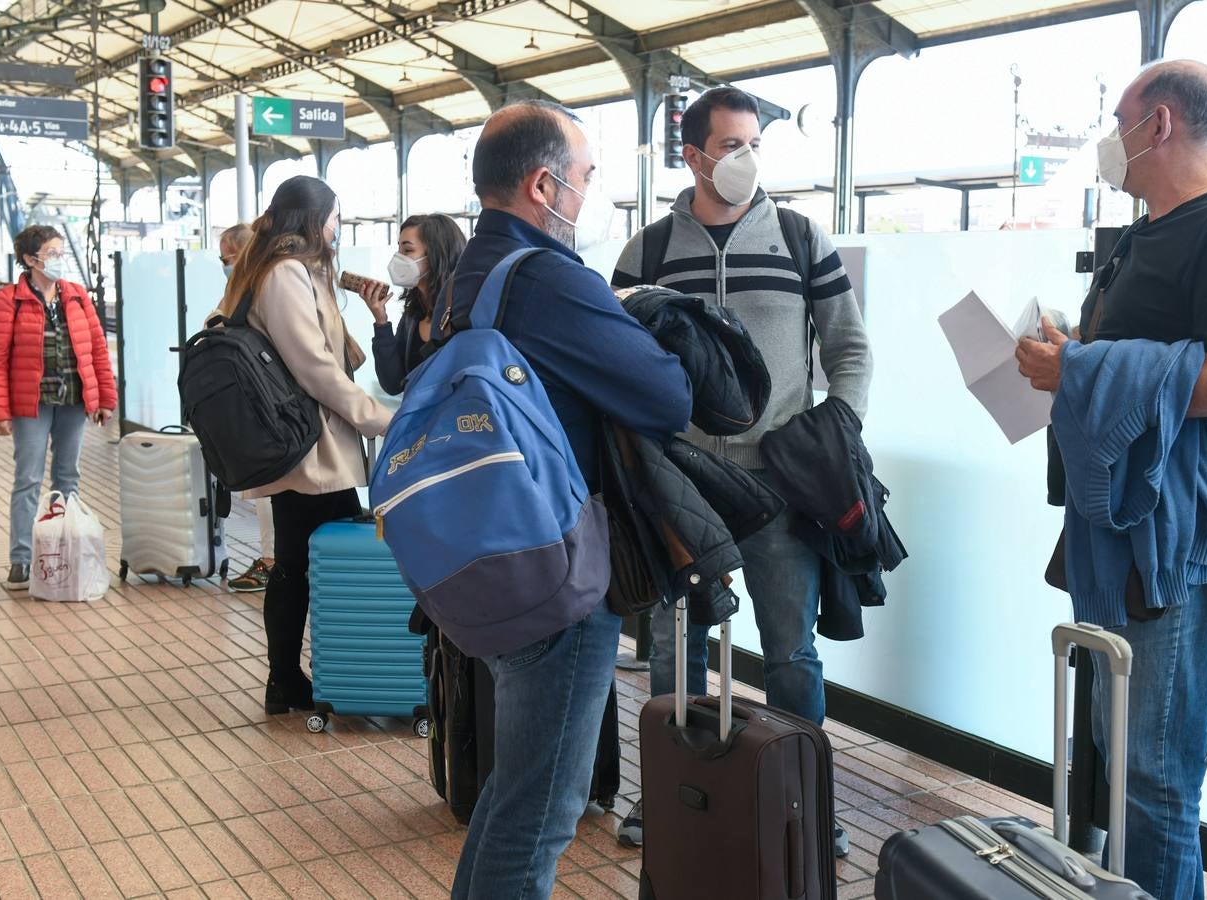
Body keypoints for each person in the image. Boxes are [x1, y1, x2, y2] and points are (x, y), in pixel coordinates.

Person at [1016, 60, 1207, 899]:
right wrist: (1073, 351)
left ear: (1158, 124)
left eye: (1119, 122)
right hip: (1115, 523)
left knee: (1155, 774)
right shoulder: (1144, 232)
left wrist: (1083, 370)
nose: (1111, 144)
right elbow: (1127, 355)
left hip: (1177, 533)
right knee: (1112, 751)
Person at [610, 86, 872, 855]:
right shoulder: (648, 254)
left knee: (789, 651)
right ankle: (667, 798)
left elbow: (848, 347)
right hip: (680, 483)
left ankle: (805, 802)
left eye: (753, 142)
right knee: (671, 646)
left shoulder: (797, 238)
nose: (746, 158)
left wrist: (837, 424)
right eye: (730, 145)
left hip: (779, 486)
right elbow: (614, 360)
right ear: (690, 156)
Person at [445, 100, 691, 900]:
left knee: (513, 792)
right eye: (584, 177)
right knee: (543, 809)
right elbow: (665, 396)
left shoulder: (472, 272)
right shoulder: (547, 277)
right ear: (543, 184)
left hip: (492, 553)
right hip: (563, 569)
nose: (589, 193)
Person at [217, 175, 393, 714]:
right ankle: (292, 679)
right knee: (303, 562)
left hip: (309, 443)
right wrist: (378, 419)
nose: (338, 228)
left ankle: (296, 678)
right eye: (335, 217)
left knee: (304, 559)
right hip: (306, 446)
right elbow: (313, 366)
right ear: (313, 218)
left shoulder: (290, 270)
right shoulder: (284, 274)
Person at [0, 225, 117, 591]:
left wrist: (105, 398)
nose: (60, 259)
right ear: (30, 259)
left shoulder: (76, 296)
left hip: (73, 400)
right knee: (27, 480)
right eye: (53, 253)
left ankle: (65, 553)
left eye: (61, 252)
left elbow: (97, 350)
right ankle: (21, 560)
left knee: (68, 478)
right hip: (31, 404)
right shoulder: (7, 300)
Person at [214, 222, 276, 594]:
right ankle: (274, 558)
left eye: (226, 258)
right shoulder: (249, 286)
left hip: (270, 406)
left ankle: (272, 560)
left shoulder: (260, 286)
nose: (224, 265)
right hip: (266, 404)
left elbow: (217, 324)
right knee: (268, 490)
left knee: (270, 488)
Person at [367, 213, 468, 393]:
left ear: (436, 254)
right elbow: (393, 383)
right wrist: (381, 321)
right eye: (398, 249)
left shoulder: (465, 312)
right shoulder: (413, 317)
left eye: (407, 250)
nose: (398, 258)